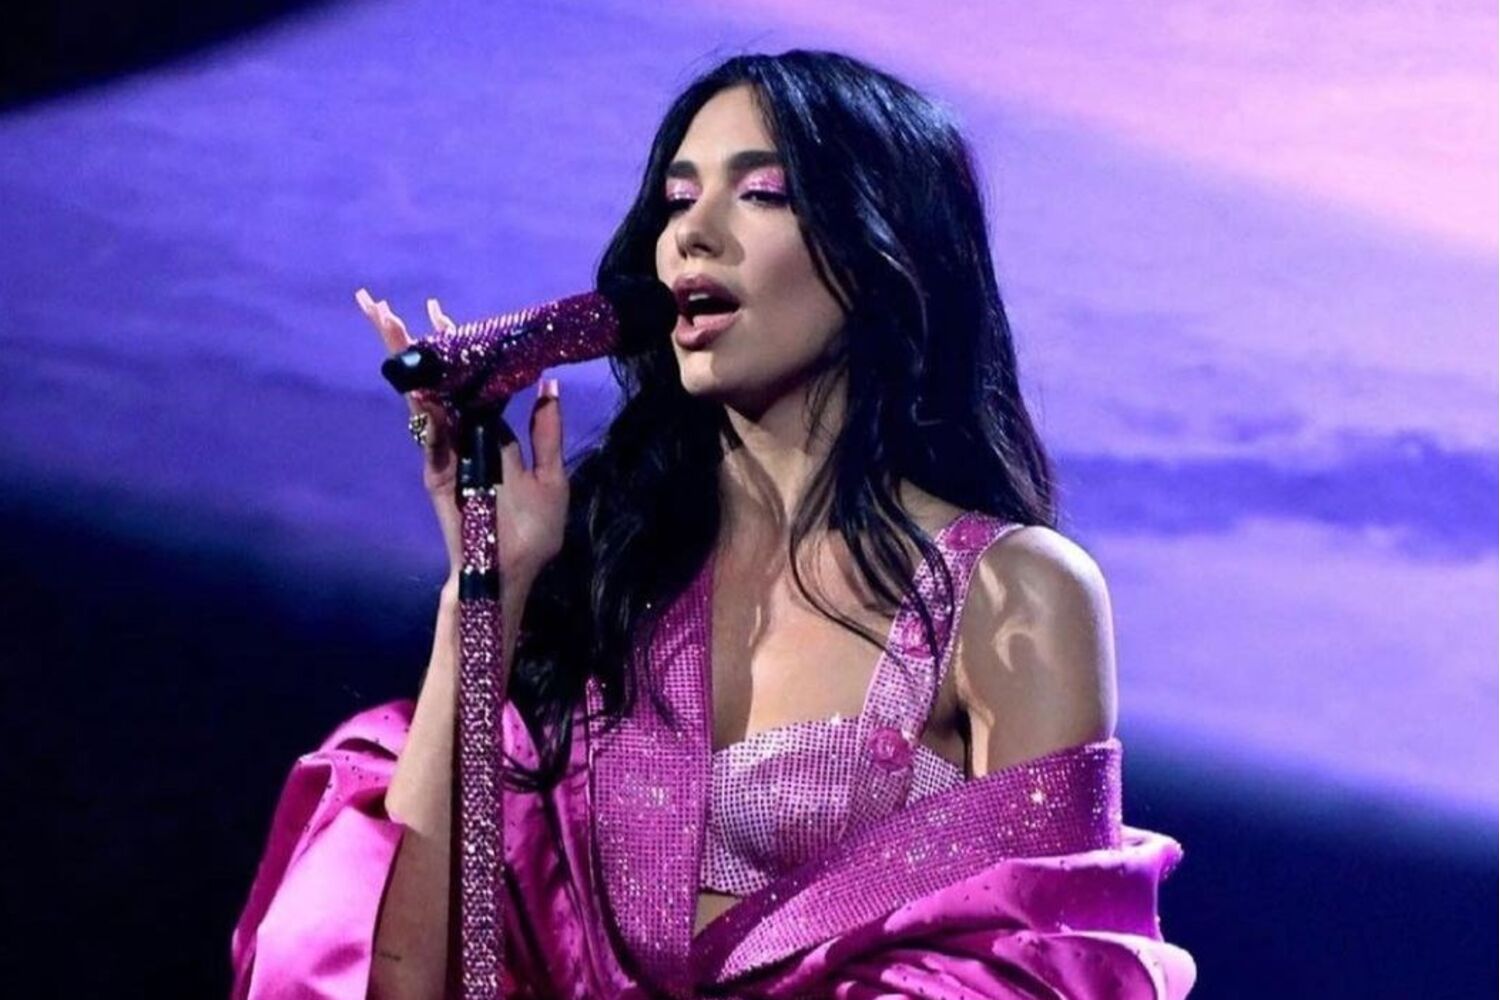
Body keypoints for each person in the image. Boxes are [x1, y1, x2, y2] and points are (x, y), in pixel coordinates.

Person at [230, 50, 1196, 999]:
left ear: (882, 250)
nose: (693, 233)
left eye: (762, 193)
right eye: (678, 199)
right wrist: (487, 582)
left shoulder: (1010, 592)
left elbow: (1041, 970)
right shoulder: (604, 586)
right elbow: (392, 977)